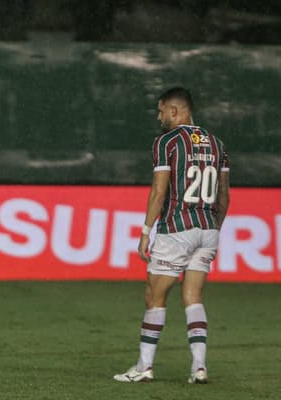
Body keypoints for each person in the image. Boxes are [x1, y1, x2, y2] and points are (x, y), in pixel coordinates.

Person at [114, 87, 230, 384]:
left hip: (177, 229)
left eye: (161, 110)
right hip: (208, 229)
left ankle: (144, 367)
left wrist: (144, 232)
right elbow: (224, 196)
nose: (159, 116)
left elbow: (159, 191)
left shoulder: (166, 142)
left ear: (175, 111)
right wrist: (213, 226)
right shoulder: (218, 144)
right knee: (192, 296)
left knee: (155, 295)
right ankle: (199, 367)